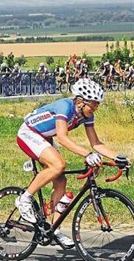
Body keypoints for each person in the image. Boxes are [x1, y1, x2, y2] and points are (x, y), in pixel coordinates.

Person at [15, 78, 131, 248]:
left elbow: (96, 143)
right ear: (79, 101)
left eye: (97, 105)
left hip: (45, 137)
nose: (95, 108)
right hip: (28, 133)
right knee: (58, 165)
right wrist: (88, 154)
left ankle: (54, 229)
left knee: (61, 181)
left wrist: (117, 157)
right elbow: (62, 138)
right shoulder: (65, 107)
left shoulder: (86, 115)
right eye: (92, 105)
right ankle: (24, 199)